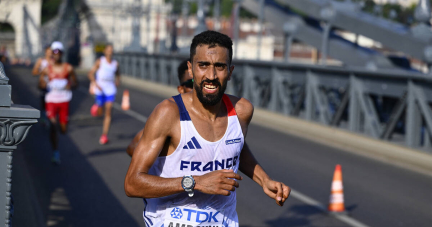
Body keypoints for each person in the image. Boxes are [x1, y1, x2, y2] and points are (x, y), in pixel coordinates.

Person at [124, 31, 290, 227]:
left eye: (219, 67)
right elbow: (132, 184)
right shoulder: (169, 113)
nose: (211, 76)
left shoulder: (241, 111)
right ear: (191, 68)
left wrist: (265, 180)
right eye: (203, 65)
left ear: (230, 71)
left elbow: (236, 146)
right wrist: (195, 182)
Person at [126, 59, 193, 156]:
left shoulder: (220, 114)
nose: (196, 88)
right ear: (181, 89)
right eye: (191, 84)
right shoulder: (171, 115)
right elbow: (132, 147)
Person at [39, 41, 78, 164]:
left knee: (63, 129)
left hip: (64, 100)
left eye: (58, 52)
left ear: (62, 54)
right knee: (53, 125)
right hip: (51, 100)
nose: (56, 54)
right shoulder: (47, 69)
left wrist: (70, 85)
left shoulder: (68, 68)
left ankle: (63, 125)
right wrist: (43, 84)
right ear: (52, 54)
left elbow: (76, 83)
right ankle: (55, 153)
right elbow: (39, 84)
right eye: (54, 52)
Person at [88, 44, 120, 144]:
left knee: (109, 111)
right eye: (108, 50)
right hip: (100, 89)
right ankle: (97, 106)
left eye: (112, 50)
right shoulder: (100, 61)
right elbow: (90, 73)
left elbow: (118, 74)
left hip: (110, 90)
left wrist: (117, 81)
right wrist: (95, 84)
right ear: (105, 51)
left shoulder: (115, 64)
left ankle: (104, 135)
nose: (110, 52)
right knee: (100, 112)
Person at [32, 45, 52, 125]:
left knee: (51, 102)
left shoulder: (54, 61)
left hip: (53, 86)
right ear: (45, 52)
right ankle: (44, 117)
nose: (50, 53)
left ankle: (51, 117)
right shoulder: (41, 61)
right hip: (44, 85)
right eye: (48, 51)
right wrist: (42, 71)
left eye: (51, 51)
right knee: (43, 102)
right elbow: (34, 72)